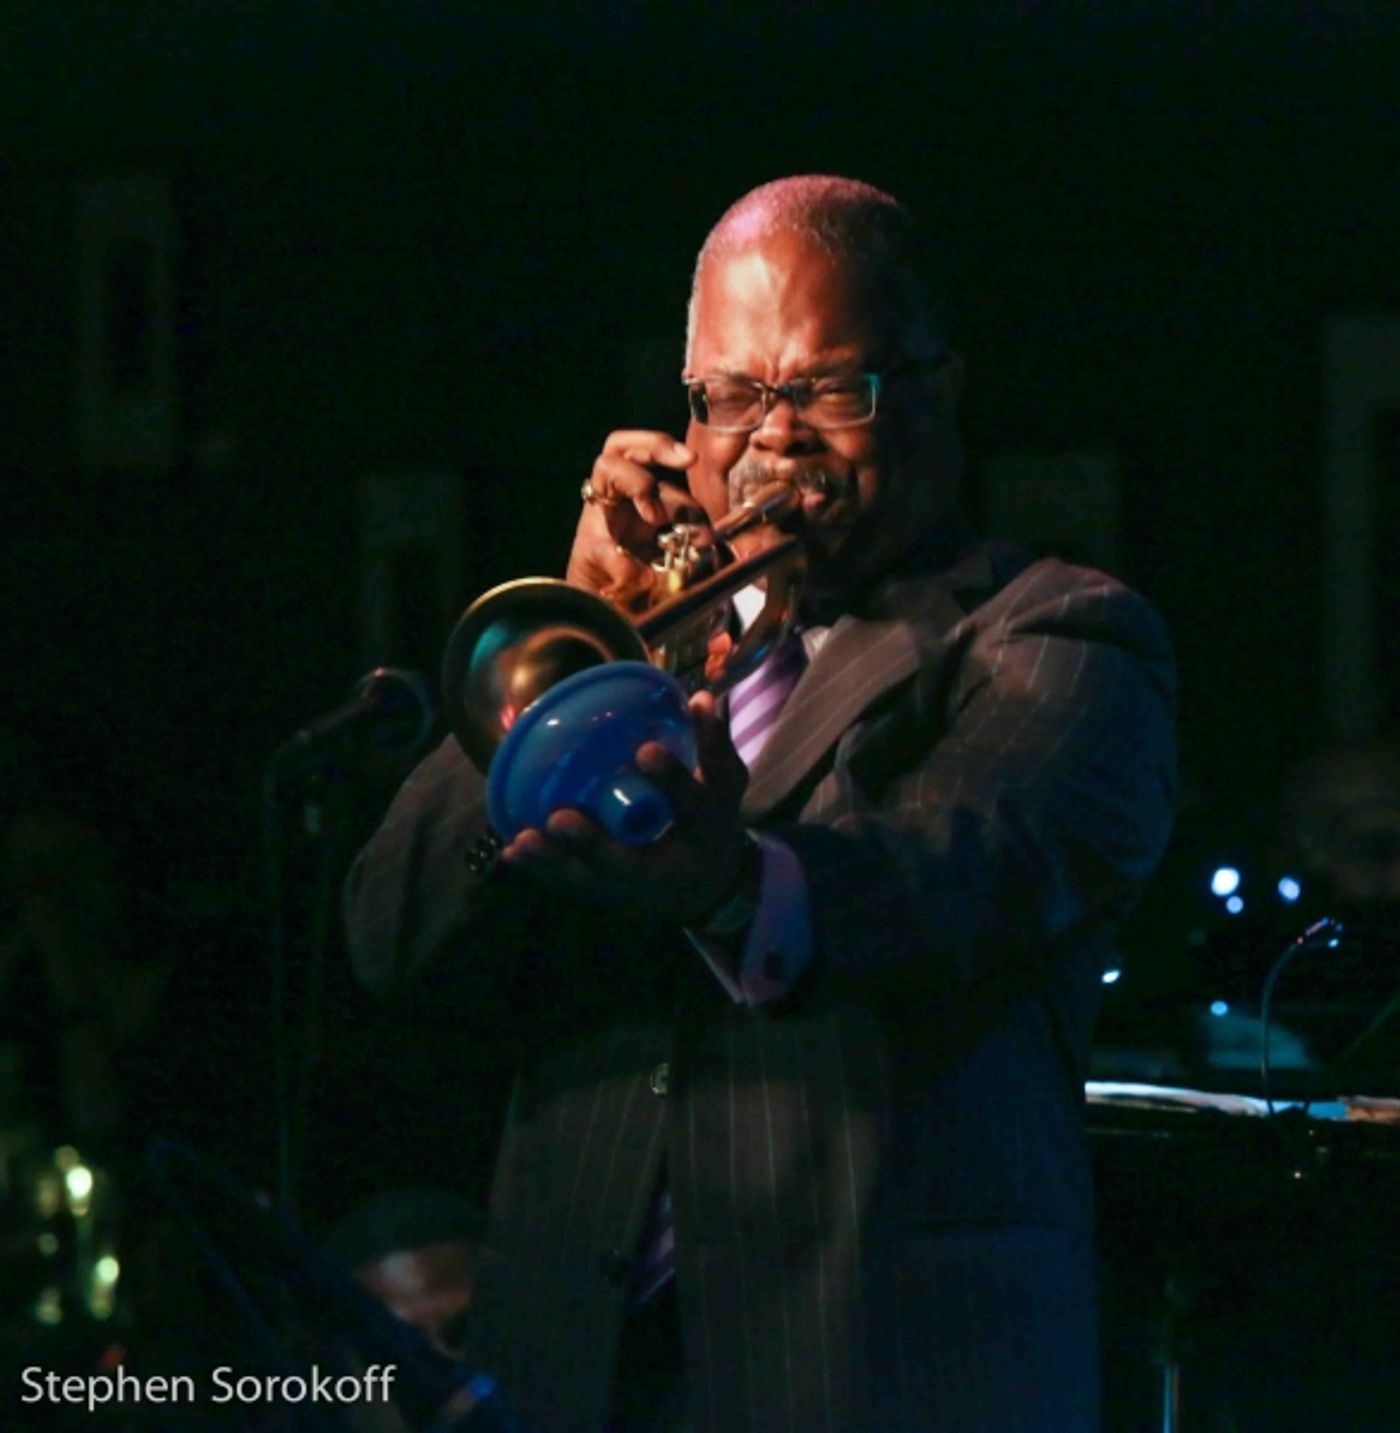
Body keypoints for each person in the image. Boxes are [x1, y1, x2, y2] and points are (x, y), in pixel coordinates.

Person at [345, 175, 1177, 1431]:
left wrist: (734, 884)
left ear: (937, 389)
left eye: (828, 389)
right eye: (731, 395)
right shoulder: (635, 665)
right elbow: (392, 935)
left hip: (881, 1375)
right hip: (575, 1375)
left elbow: (955, 864)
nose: (772, 439)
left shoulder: (1055, 631)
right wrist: (583, 653)